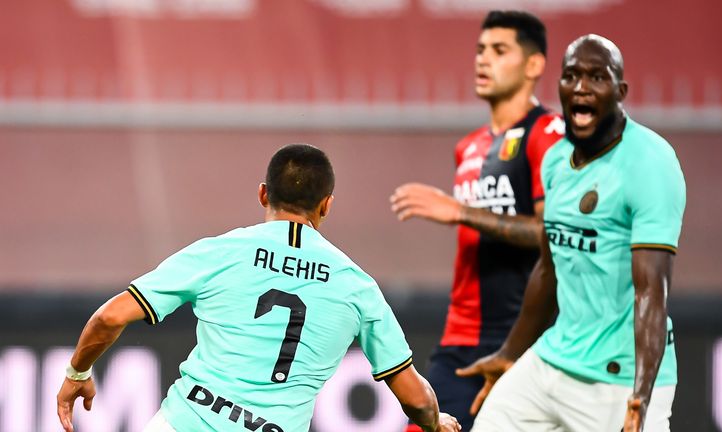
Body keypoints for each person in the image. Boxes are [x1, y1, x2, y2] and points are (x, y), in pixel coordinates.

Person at [56, 144, 461, 432]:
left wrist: (78, 371)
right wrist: (434, 421)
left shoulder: (220, 252)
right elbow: (416, 397)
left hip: (184, 422)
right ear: (326, 206)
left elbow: (110, 316)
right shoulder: (357, 287)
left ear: (263, 193)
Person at [456, 34, 686, 432]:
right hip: (554, 359)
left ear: (620, 91)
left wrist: (641, 398)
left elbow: (652, 291)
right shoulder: (557, 159)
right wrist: (510, 353)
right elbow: (548, 269)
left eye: (597, 77)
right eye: (572, 76)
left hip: (618, 380)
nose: (581, 87)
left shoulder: (650, 162)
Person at [390, 10, 563, 431]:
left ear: (534, 64)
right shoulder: (469, 146)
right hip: (460, 341)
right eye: (480, 50)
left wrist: (460, 211)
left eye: (499, 50)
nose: (483, 60)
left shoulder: (549, 134)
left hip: (524, 341)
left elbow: (555, 235)